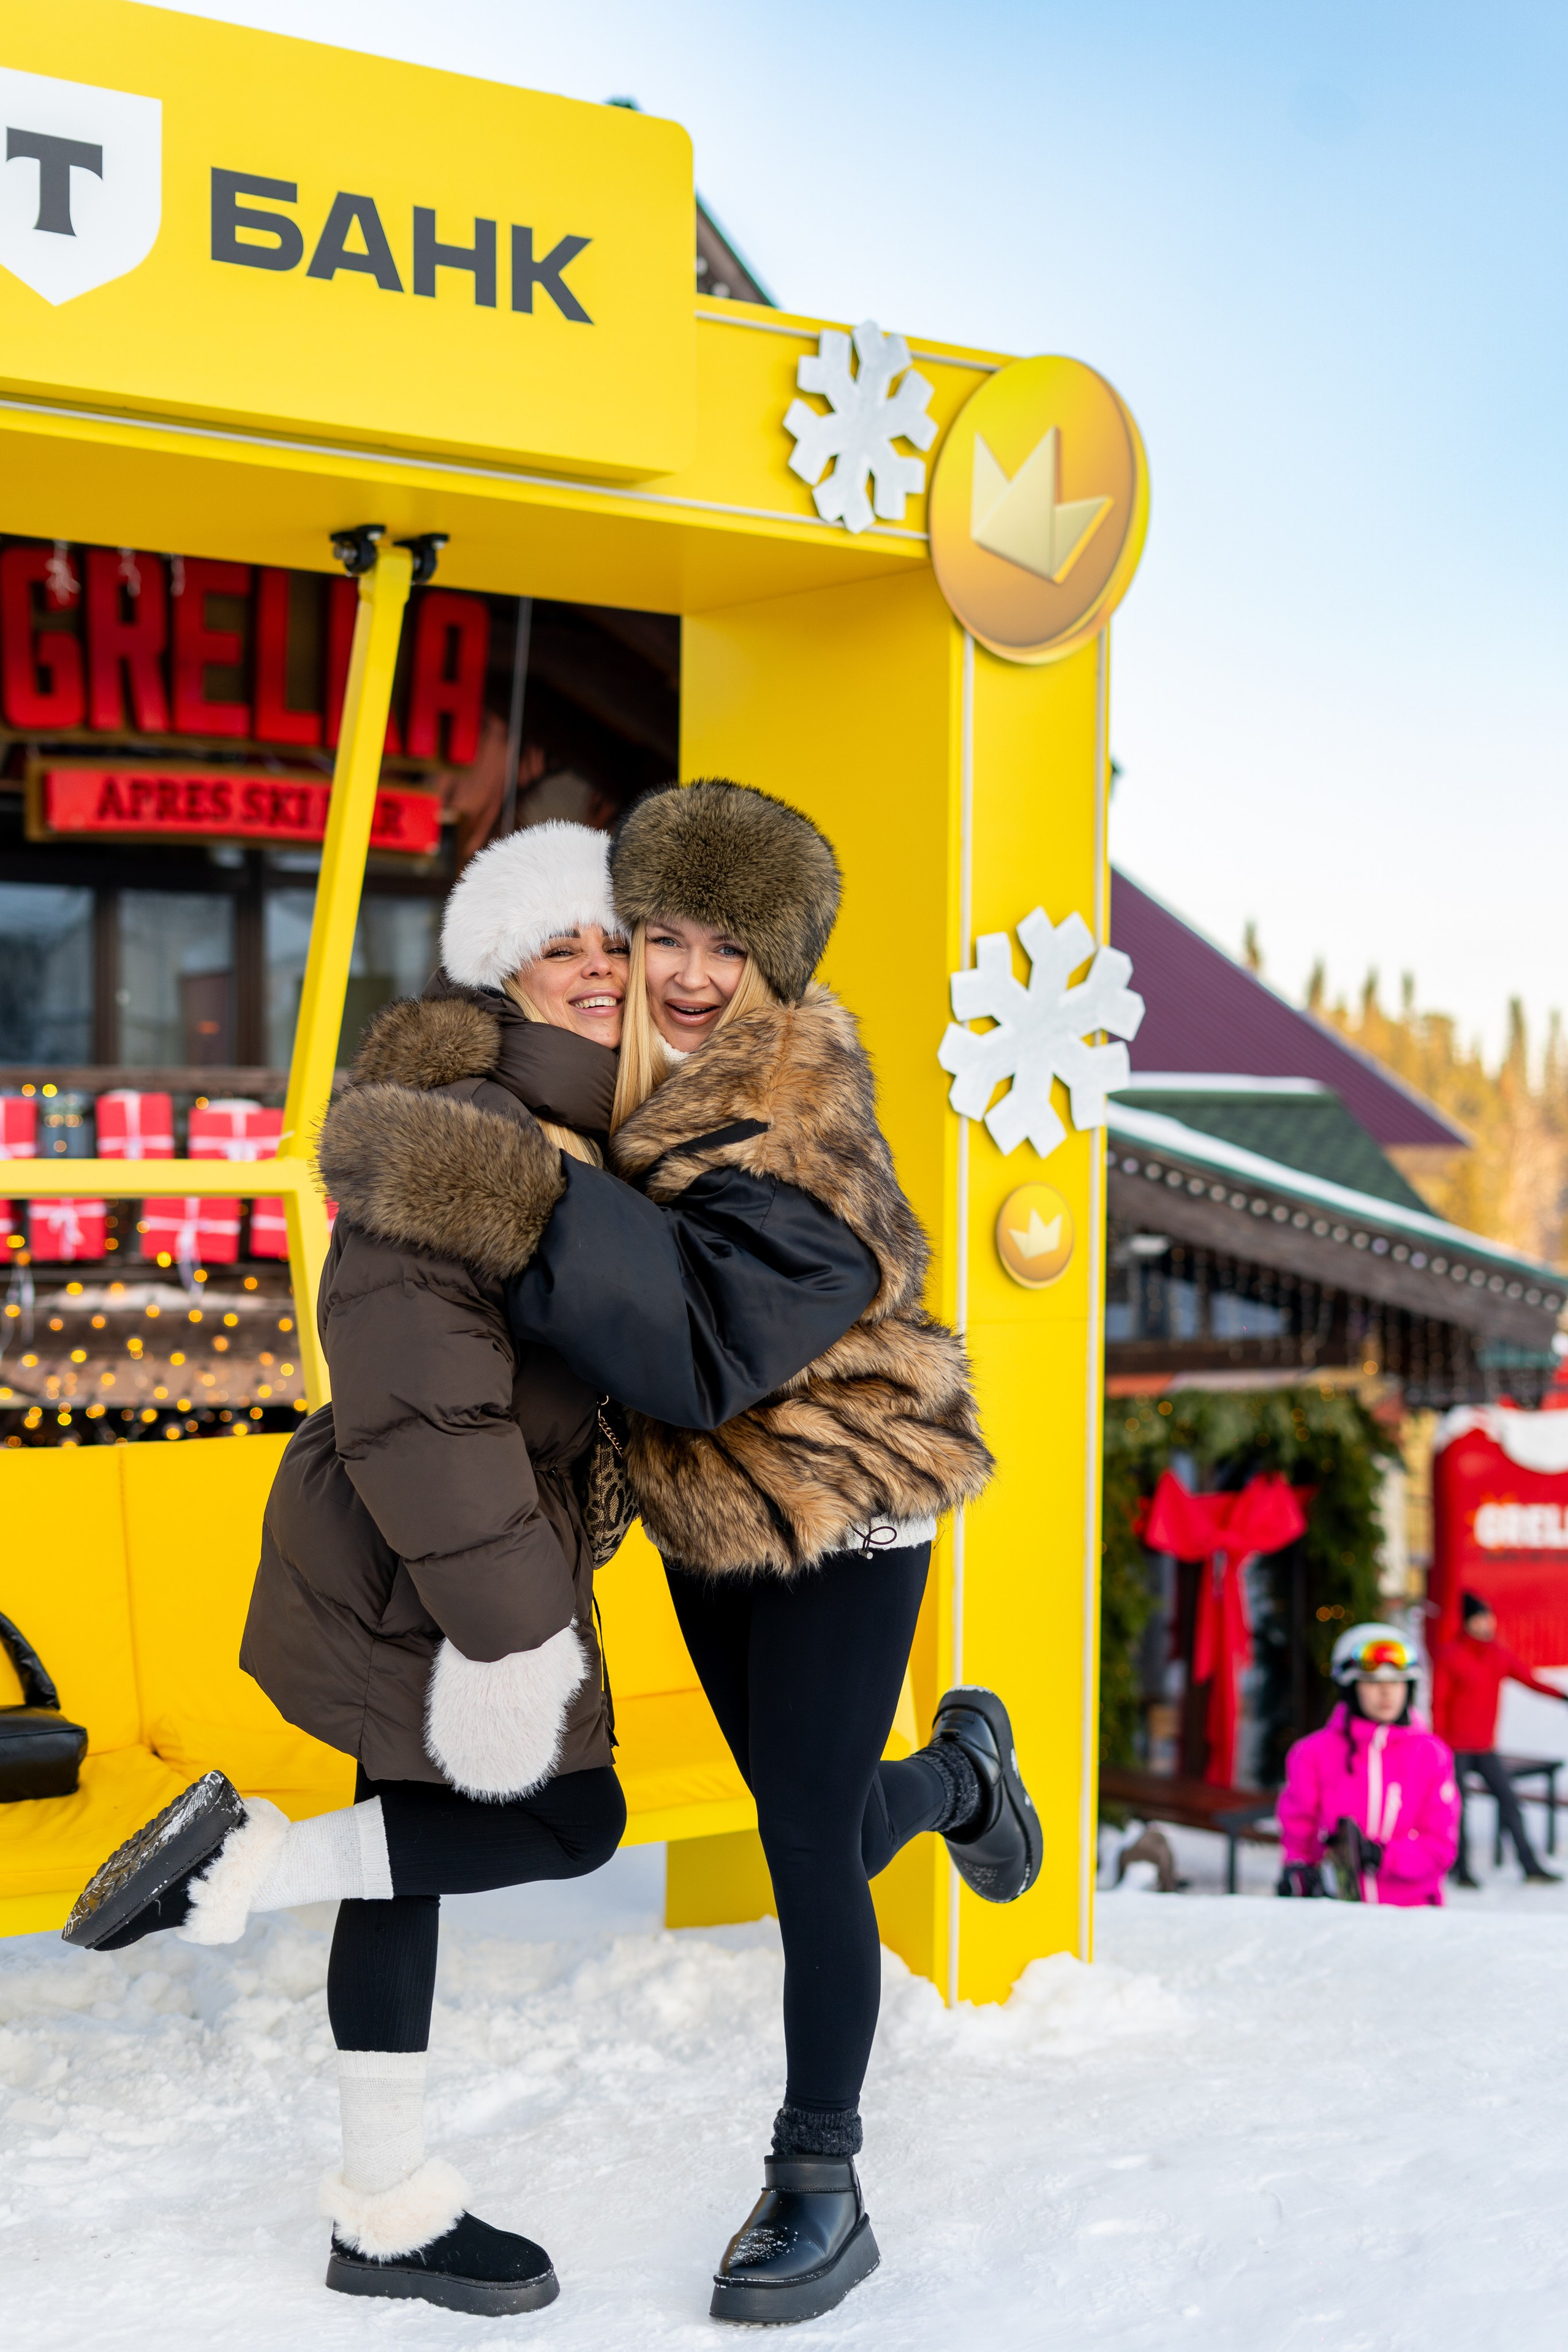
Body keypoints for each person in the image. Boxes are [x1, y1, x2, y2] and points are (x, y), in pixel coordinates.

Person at [333, 779, 1043, 2326]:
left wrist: (498, 1190)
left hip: (843, 1496)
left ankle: (819, 2182)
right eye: (666, 935)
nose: (691, 972)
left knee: (804, 1847)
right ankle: (954, 1780)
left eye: (731, 947)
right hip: (705, 1515)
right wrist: (439, 1088)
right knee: (810, 1814)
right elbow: (515, 1087)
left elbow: (699, 1350)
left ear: (777, 966)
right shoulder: (628, 1089)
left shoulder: (797, 1112)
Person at [62, 823, 635, 2318]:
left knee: (404, 1852)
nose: (597, 967)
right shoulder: (461, 1137)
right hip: (424, 1552)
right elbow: (417, 1401)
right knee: (571, 1817)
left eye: (614, 941)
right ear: (502, 971)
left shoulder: (583, 1130)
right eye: (561, 944)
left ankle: (379, 2211)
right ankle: (242, 1872)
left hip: (452, 1539)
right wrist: (513, 1631)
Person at [1276, 1623, 1460, 1904]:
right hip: (1338, 1912)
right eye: (1373, 1682)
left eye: (1396, 1682)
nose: (1386, 1693)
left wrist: (1383, 1856)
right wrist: (1298, 1871)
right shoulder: (1312, 1754)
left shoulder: (1432, 1755)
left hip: (1412, 1914)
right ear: (1351, 1688)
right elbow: (1298, 1833)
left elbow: (1440, 1848)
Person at [1434, 1591, 1568, 1887]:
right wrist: (1439, 1746)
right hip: (1455, 1748)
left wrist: (1562, 1696)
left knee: (1509, 1800)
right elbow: (1438, 1703)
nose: (1485, 1624)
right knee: (1457, 1809)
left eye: (1488, 1618)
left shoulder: (1497, 1655)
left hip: (1485, 1747)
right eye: (1479, 1619)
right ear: (1468, 1623)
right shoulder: (1451, 1655)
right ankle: (1461, 1869)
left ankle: (1530, 1865)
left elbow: (1530, 1680)